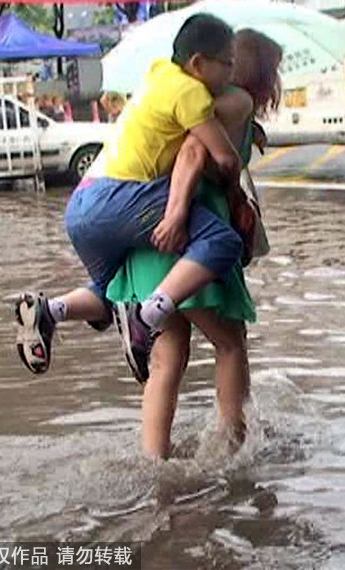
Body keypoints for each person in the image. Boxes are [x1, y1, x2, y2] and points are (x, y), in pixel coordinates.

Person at [14, 14, 245, 384]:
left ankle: (50, 310)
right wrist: (233, 191)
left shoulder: (157, 74)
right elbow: (224, 157)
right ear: (198, 63)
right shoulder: (191, 92)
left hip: (81, 206)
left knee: (109, 294)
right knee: (222, 240)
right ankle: (146, 316)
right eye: (227, 63)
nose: (231, 74)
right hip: (119, 198)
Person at [107, 29, 282, 459]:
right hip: (190, 241)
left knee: (168, 357)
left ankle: (154, 462)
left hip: (150, 242)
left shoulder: (201, 103)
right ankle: (233, 450)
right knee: (230, 342)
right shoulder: (234, 101)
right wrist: (178, 213)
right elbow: (190, 154)